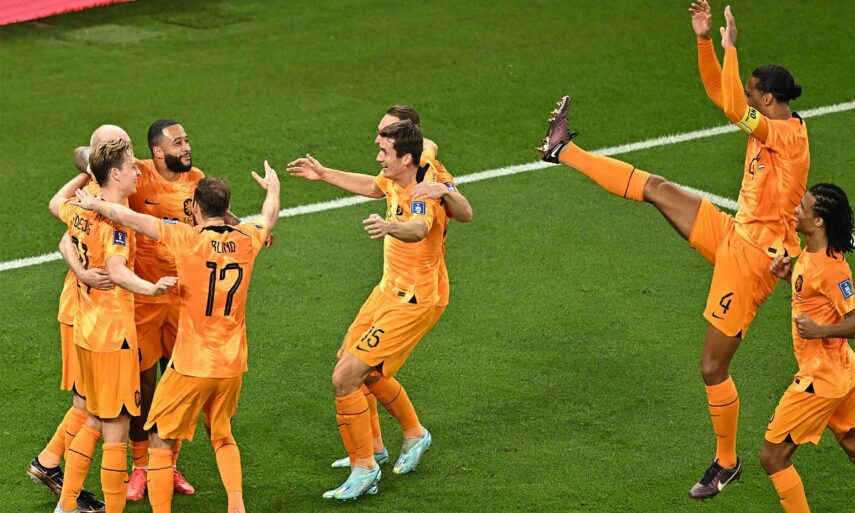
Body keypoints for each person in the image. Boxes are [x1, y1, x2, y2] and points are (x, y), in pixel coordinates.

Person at [538, 1, 809, 499]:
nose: (746, 97)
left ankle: (726, 462)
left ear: (768, 99)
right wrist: (704, 41)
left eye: (753, 92)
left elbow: (732, 105)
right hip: (734, 233)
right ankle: (563, 150)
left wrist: (730, 47)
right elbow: (722, 93)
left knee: (711, 367)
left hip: (752, 263)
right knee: (657, 187)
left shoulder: (786, 138)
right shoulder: (769, 122)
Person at [71, 162, 280, 513]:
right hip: (231, 365)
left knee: (159, 441)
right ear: (225, 207)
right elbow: (268, 216)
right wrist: (273, 188)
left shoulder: (186, 238)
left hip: (191, 365)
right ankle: (236, 506)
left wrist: (95, 204)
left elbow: (131, 218)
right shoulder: (248, 237)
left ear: (195, 208)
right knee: (222, 435)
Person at [292, 105, 472, 470]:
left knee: (357, 372)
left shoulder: (424, 182)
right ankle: (375, 447)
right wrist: (324, 174)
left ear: (406, 147)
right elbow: (377, 186)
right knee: (349, 360)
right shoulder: (405, 164)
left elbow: (430, 225)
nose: (377, 140)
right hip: (390, 286)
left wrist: (398, 222)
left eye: (385, 134)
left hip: (416, 294)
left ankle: (405, 439)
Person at [74, 119, 215, 500]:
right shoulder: (137, 173)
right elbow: (83, 156)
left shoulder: (197, 180)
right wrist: (93, 161)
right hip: (143, 300)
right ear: (157, 151)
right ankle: (140, 466)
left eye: (187, 140)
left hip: (183, 297)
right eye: (178, 142)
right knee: (143, 384)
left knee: (177, 382)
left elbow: (216, 217)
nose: (187, 147)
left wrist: (242, 227)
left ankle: (167, 464)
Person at [48, 138, 176, 513]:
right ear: (116, 173)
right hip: (113, 335)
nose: (138, 171)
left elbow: (56, 207)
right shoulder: (114, 222)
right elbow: (118, 270)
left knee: (92, 419)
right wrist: (150, 288)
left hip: (86, 330)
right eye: (132, 166)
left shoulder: (83, 206)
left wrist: (80, 271)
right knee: (116, 431)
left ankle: (66, 505)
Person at [28, 125, 129, 513]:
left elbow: (60, 210)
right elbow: (63, 237)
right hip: (84, 312)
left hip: (86, 310)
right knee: (90, 409)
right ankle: (58, 478)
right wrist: (84, 272)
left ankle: (52, 466)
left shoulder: (98, 190)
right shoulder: (98, 196)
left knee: (89, 407)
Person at [761, 183, 855, 512]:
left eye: (803, 208)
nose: (795, 210)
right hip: (843, 371)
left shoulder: (833, 269)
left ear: (819, 221)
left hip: (821, 378)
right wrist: (789, 276)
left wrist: (821, 331)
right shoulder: (811, 254)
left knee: (772, 456)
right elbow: (812, 290)